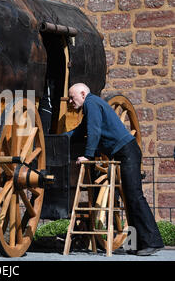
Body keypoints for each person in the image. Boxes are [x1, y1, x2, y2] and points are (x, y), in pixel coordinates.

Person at [66, 83, 164, 256]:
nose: (70, 101)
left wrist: (88, 156)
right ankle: (136, 244)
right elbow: (80, 132)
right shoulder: (91, 106)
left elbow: (94, 130)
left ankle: (152, 242)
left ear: (83, 94)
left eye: (72, 97)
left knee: (135, 195)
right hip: (123, 153)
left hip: (127, 151)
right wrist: (56, 139)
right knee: (129, 198)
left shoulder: (91, 103)